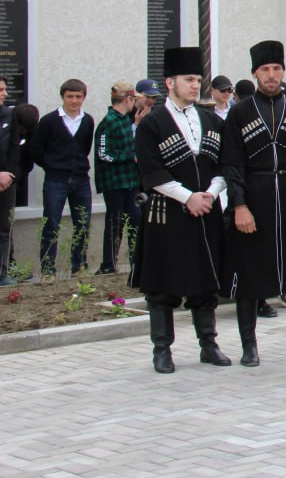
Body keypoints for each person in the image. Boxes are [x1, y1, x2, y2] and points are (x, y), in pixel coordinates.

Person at [219, 41, 286, 366]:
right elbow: (232, 165)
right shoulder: (239, 113)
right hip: (255, 195)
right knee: (250, 274)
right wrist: (239, 205)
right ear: (255, 73)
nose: (271, 75)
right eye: (265, 69)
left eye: (276, 68)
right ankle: (249, 346)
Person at [130, 47, 231, 373]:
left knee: (205, 283)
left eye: (198, 79)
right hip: (168, 214)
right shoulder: (152, 123)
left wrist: (210, 194)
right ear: (170, 82)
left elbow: (224, 165)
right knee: (163, 286)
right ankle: (162, 350)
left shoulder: (211, 120)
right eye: (189, 79)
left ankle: (209, 345)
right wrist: (188, 197)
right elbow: (151, 172)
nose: (195, 85)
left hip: (206, 210)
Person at [29, 78, 95, 275]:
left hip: (81, 180)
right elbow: (36, 149)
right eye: (70, 96)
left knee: (82, 224)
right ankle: (48, 269)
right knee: (51, 224)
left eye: (78, 97)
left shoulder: (87, 120)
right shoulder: (49, 121)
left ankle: (78, 266)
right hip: (56, 179)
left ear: (83, 97)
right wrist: (51, 165)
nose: (74, 101)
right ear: (63, 97)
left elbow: (85, 147)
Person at [93, 81, 141, 275]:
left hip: (131, 181)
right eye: (133, 99)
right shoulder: (109, 121)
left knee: (135, 221)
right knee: (115, 222)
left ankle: (136, 263)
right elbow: (103, 153)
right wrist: (130, 156)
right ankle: (109, 264)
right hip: (115, 182)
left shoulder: (128, 119)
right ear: (128, 99)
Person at [0, 89, 18, 285]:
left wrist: (8, 174)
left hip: (6, 182)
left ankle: (2, 273)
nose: (4, 93)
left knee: (4, 228)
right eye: (0, 90)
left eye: (4, 89)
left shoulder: (9, 115)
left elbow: (14, 148)